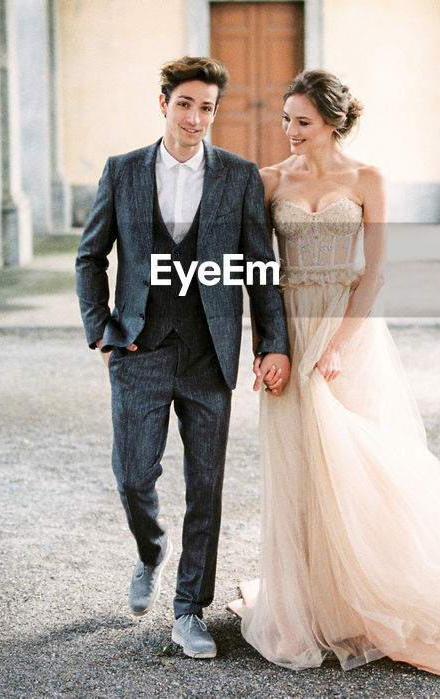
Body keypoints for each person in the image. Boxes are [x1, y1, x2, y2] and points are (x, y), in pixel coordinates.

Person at [228, 69, 440, 680]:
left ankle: (368, 594)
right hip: (291, 331)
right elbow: (257, 273)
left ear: (330, 121)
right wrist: (272, 346)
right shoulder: (267, 180)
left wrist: (338, 346)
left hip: (348, 329)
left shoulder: (368, 179)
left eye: (302, 121)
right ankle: (313, 604)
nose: (290, 131)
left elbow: (374, 272)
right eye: (286, 120)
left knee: (359, 463)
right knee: (299, 463)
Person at [76, 56, 291, 660]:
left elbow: (260, 268)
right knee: (133, 475)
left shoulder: (239, 177)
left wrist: (271, 342)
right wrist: (100, 330)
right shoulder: (122, 172)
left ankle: (188, 609)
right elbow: (90, 256)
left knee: (207, 486)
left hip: (208, 354)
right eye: (186, 105)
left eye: (208, 108)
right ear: (164, 103)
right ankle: (150, 550)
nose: (196, 118)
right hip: (138, 350)